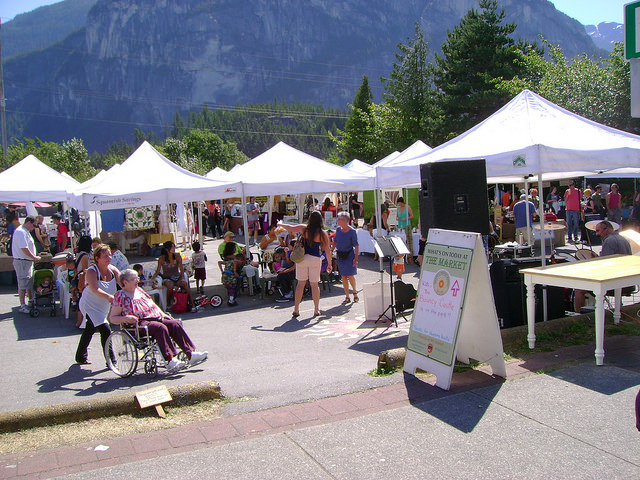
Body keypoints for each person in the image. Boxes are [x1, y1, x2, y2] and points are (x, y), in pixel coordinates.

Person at [109, 269, 208, 372]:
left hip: (154, 317)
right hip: (138, 323)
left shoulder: (140, 290)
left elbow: (153, 305)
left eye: (137, 278)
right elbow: (113, 318)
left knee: (174, 323)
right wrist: (126, 318)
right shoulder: (120, 295)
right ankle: (170, 359)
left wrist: (163, 314)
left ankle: (190, 354)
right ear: (125, 282)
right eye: (134, 279)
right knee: (159, 328)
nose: (138, 280)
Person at [280, 211, 332, 317]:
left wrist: (280, 224)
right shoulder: (322, 233)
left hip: (302, 258)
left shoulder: (304, 229)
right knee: (314, 285)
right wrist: (329, 264)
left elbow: (290, 227)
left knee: (300, 284)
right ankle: (316, 309)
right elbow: (327, 250)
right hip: (315, 259)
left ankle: (296, 309)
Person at [75, 244, 119, 365]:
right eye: (105, 255)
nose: (109, 257)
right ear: (97, 258)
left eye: (110, 254)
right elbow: (95, 289)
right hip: (89, 306)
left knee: (90, 329)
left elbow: (123, 283)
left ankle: (80, 356)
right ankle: (111, 360)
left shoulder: (113, 270)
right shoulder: (92, 271)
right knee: (105, 329)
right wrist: (109, 297)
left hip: (102, 307)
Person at [574, 221, 632, 311]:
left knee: (579, 289)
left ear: (607, 229)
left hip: (614, 281)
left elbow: (605, 265)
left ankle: (579, 317)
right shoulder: (623, 239)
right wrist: (598, 258)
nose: (597, 234)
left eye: (598, 231)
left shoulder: (609, 241)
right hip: (626, 280)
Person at [153, 240, 194, 311]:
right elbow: (158, 270)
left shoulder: (177, 256)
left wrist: (182, 278)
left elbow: (181, 269)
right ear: (167, 249)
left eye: (174, 247)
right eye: (172, 247)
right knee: (170, 285)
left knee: (185, 284)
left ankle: (192, 303)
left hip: (176, 277)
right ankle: (169, 304)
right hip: (167, 278)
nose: (174, 248)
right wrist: (152, 279)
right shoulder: (161, 259)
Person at [11, 216, 41, 313]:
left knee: (27, 282)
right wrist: (34, 257)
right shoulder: (21, 232)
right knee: (23, 284)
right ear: (28, 222)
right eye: (33, 225)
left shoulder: (24, 231)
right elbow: (24, 248)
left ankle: (30, 301)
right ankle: (22, 305)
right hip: (22, 261)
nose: (34, 227)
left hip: (26, 261)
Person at [334, 211, 359, 304]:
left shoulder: (352, 231)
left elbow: (356, 245)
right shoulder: (338, 230)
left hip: (349, 255)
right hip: (340, 255)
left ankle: (355, 293)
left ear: (345, 220)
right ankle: (347, 296)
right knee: (343, 275)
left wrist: (356, 258)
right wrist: (331, 249)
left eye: (340, 219)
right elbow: (335, 241)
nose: (338, 220)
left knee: (350, 275)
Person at [219, 241, 241, 306]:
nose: (236, 249)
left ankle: (231, 300)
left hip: (225, 276)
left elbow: (219, 262)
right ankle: (231, 300)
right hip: (232, 277)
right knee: (234, 289)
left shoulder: (226, 257)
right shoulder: (235, 258)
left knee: (230, 289)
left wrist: (222, 271)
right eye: (234, 248)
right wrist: (235, 272)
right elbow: (235, 265)